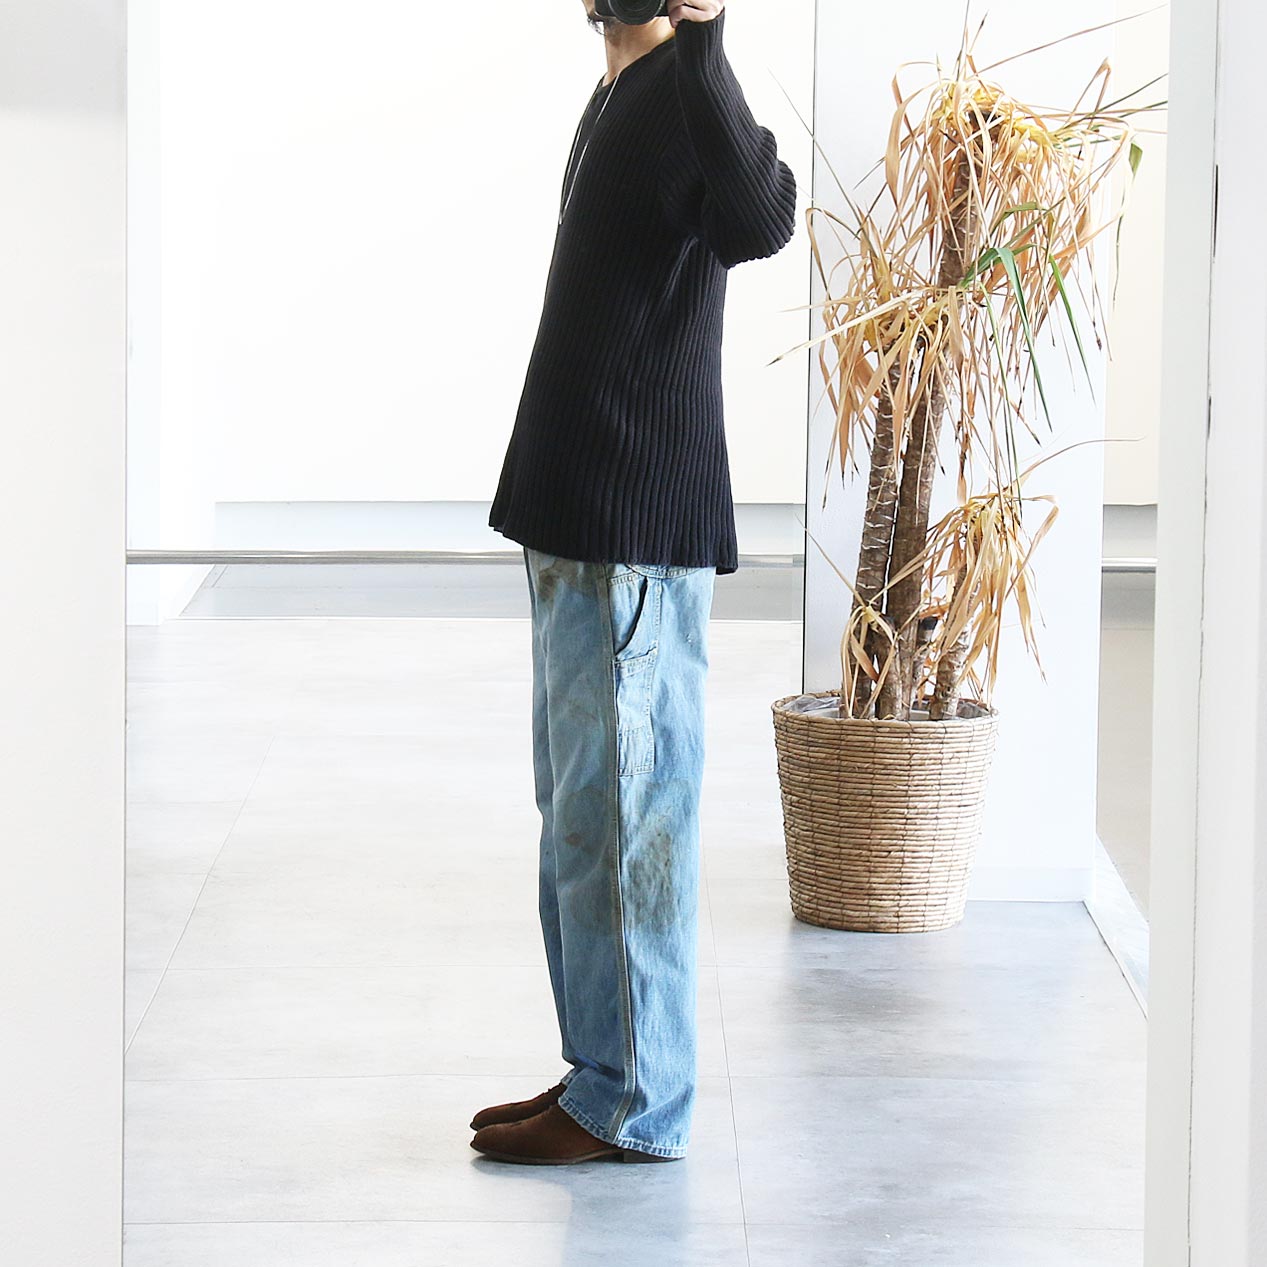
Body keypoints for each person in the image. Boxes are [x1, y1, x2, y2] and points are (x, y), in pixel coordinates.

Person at [471, 0, 797, 1165]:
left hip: (629, 527)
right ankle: (600, 1072)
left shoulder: (683, 91)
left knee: (627, 820)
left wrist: (706, 38)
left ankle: (635, 1102)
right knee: (582, 822)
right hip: (575, 517)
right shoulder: (618, 93)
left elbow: (762, 218)